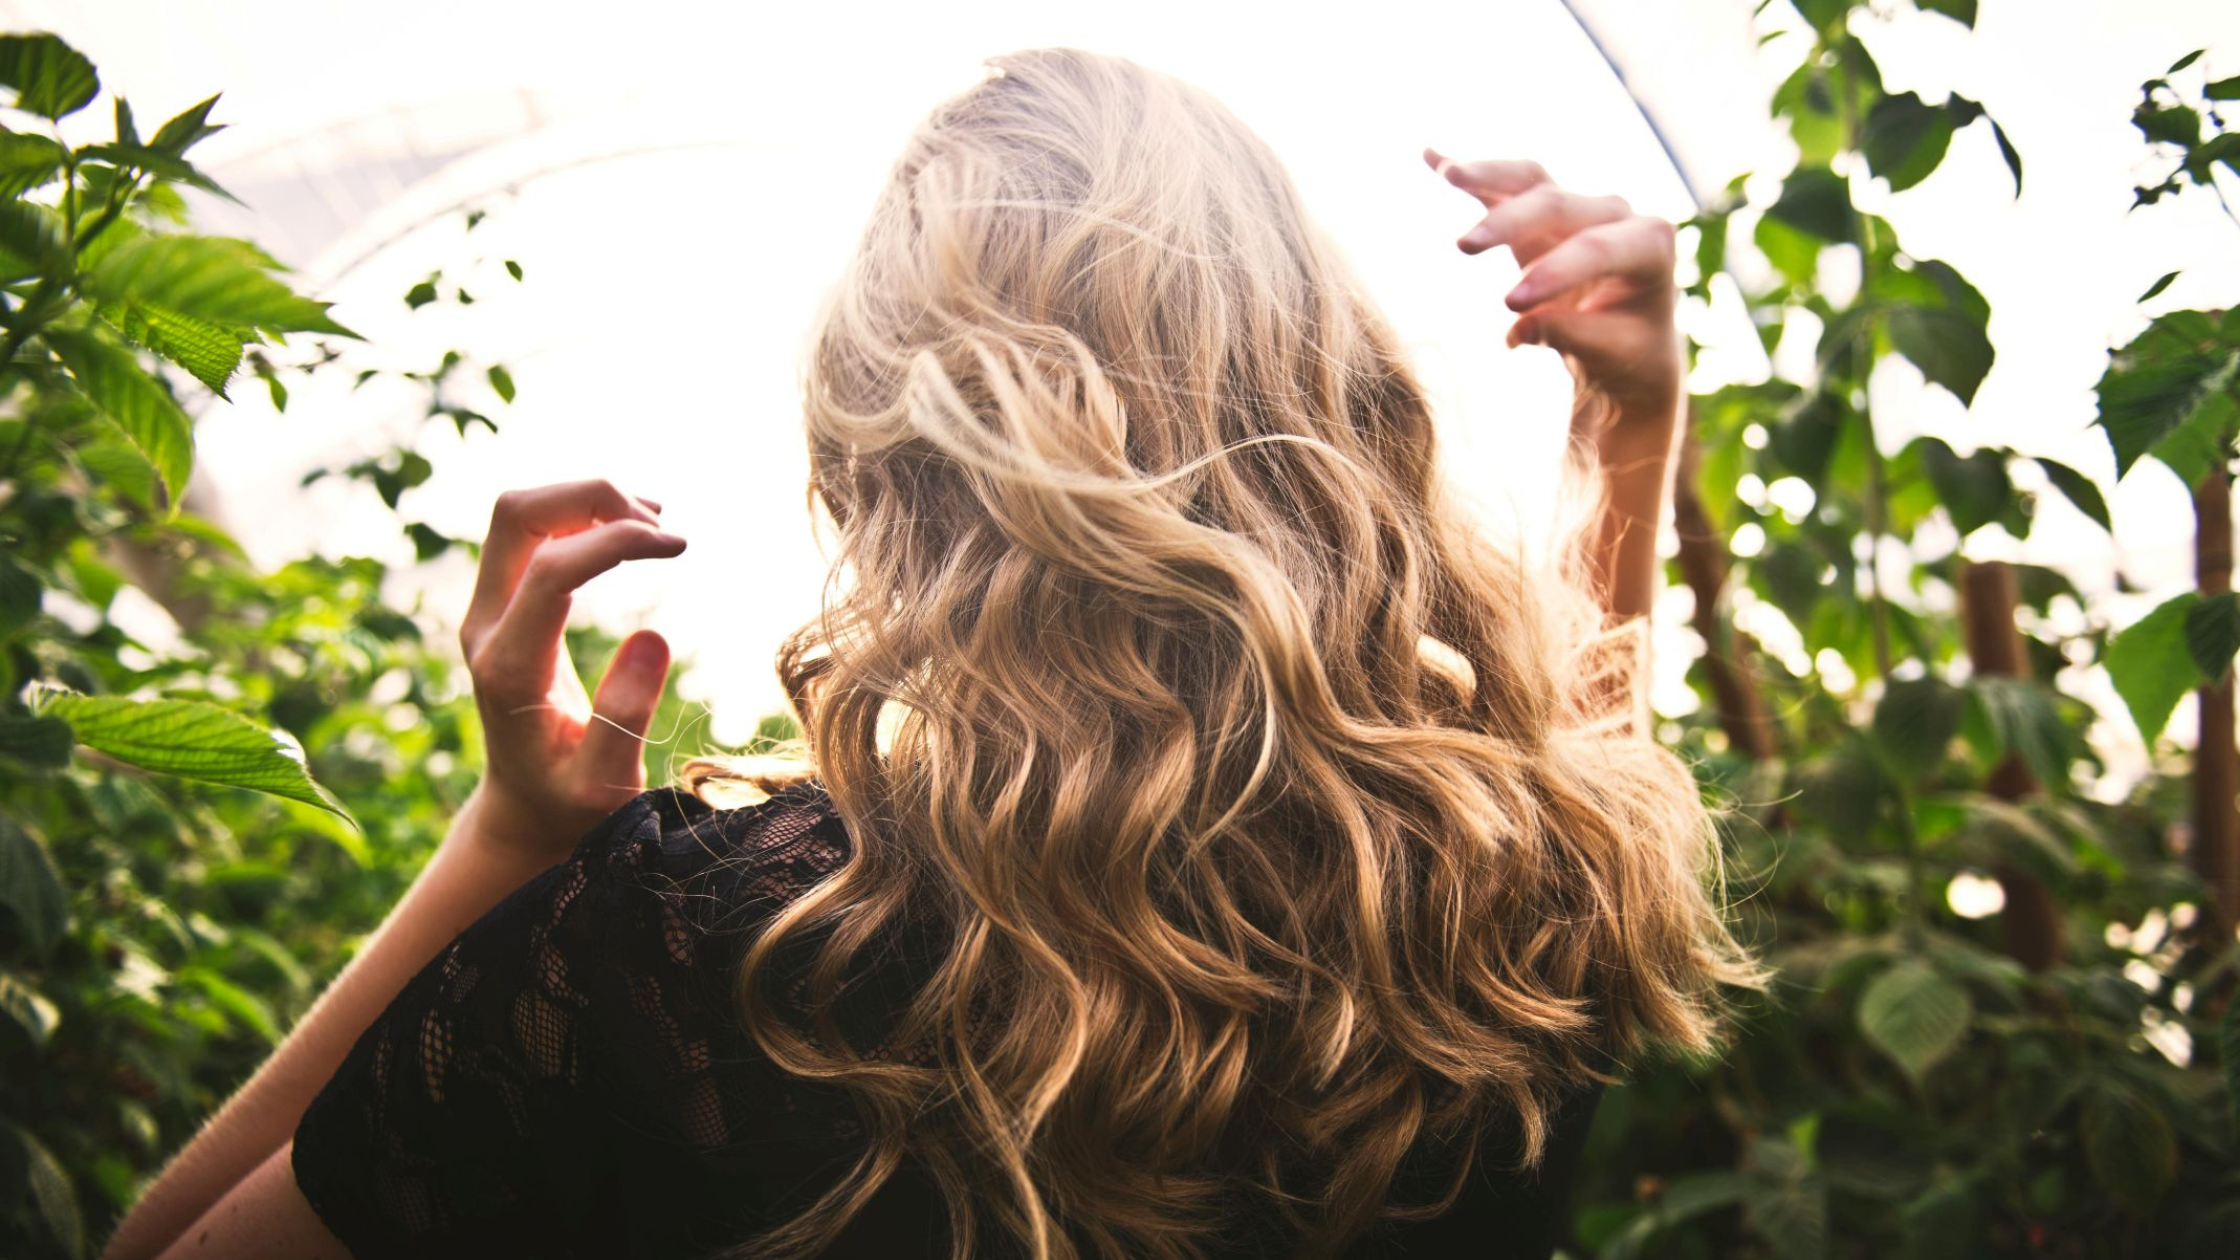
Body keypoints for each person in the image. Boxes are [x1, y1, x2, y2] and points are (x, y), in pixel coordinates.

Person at [100, 46, 1756, 1260]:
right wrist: (1626, 429)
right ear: (1326, 394)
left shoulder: (704, 961)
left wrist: (512, 848)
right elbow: (1568, 749)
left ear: (884, 459)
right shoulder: (1527, 900)